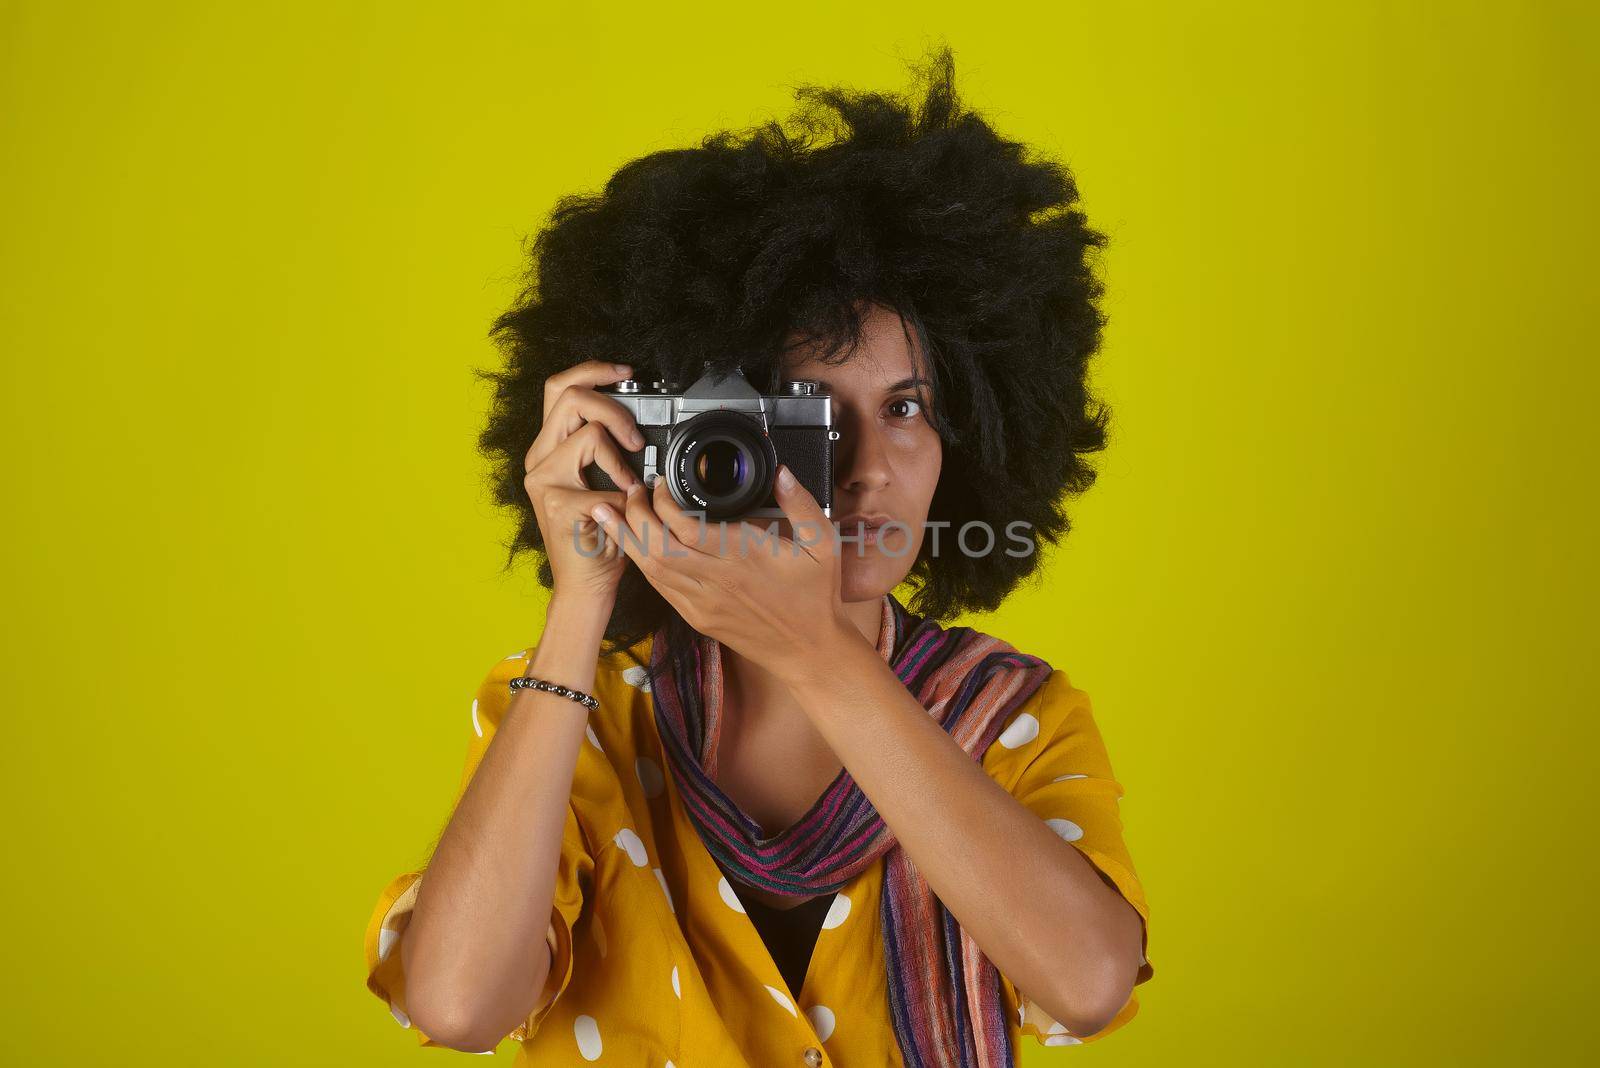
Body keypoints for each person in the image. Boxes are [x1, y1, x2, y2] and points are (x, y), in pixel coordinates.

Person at [363, 46, 1153, 1067]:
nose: (867, 468)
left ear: (974, 429)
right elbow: (459, 1007)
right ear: (702, 436)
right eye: (810, 416)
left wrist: (822, 653)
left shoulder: (1015, 718)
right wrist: (581, 598)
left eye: (905, 408)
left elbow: (1087, 986)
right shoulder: (577, 715)